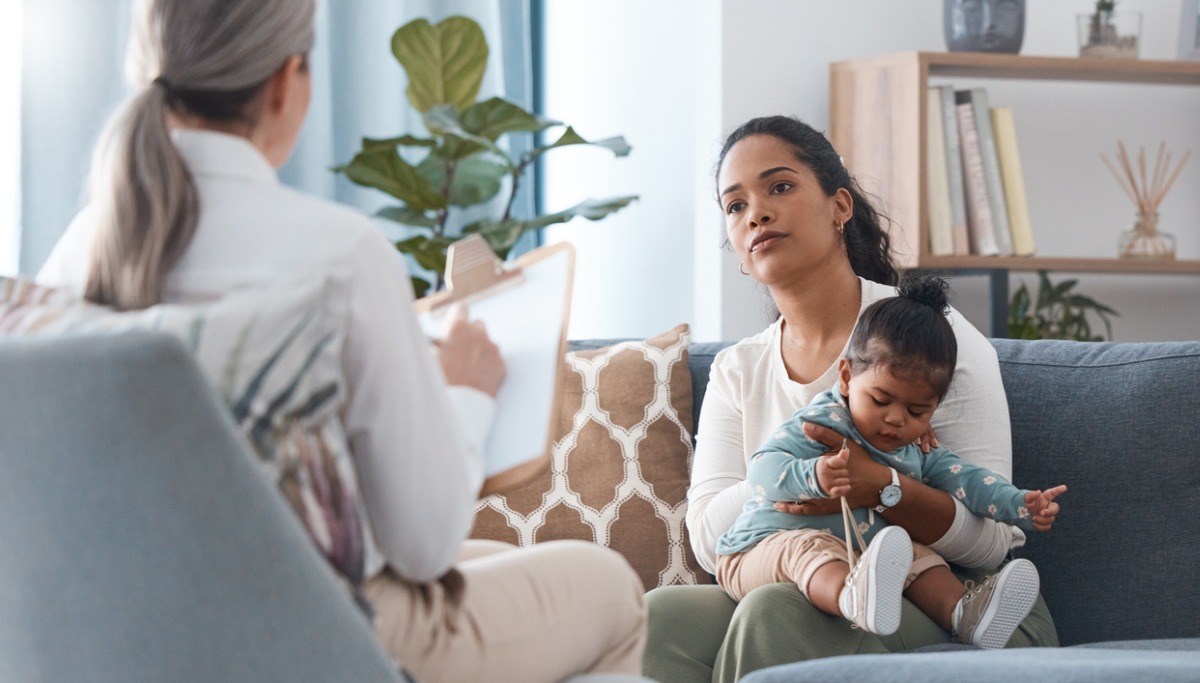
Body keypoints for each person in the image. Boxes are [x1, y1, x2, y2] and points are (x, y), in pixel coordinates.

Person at [36, 2, 646, 682]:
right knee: (612, 588)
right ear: (283, 82)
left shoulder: (74, 258)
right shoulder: (340, 254)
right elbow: (422, 546)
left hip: (127, 630)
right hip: (311, 632)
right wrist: (465, 391)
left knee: (491, 561)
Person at [642, 115, 1060, 683]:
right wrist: (807, 464)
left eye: (780, 187)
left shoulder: (933, 339)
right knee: (655, 618)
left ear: (841, 207)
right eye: (735, 206)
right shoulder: (738, 369)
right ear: (739, 252)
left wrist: (883, 488)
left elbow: (989, 547)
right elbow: (710, 541)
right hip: (810, 576)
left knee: (776, 610)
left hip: (962, 605)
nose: (756, 212)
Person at [715, 273, 1067, 648]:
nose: (897, 419)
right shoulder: (822, 422)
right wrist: (813, 474)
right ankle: (850, 598)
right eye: (881, 401)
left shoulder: (913, 448)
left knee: (916, 555)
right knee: (808, 548)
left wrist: (1019, 504)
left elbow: (968, 479)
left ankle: (965, 615)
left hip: (856, 556)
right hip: (759, 550)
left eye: (917, 410)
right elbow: (762, 470)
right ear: (848, 377)